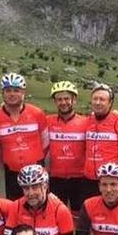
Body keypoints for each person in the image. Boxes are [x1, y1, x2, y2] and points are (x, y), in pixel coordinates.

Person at [0, 73, 49, 199]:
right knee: (15, 209)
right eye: (8, 91)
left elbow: (45, 142)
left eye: (16, 90)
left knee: (42, 208)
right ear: (3, 93)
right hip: (12, 173)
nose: (12, 94)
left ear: (23, 92)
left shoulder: (37, 113)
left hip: (37, 170)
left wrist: (38, 160)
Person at [3, 164, 75, 235]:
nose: (30, 193)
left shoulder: (60, 210)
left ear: (45, 186)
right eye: (26, 188)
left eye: (35, 187)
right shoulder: (16, 206)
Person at [82, 84, 118, 201]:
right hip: (89, 180)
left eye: (102, 99)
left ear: (110, 103)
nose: (98, 102)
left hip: (110, 182)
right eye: (95, 99)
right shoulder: (87, 121)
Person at [46, 81, 89, 212]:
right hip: (56, 178)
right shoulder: (48, 121)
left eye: (66, 99)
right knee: (56, 214)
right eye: (59, 99)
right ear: (55, 102)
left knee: (80, 216)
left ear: (73, 100)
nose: (63, 102)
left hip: (80, 179)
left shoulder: (85, 122)